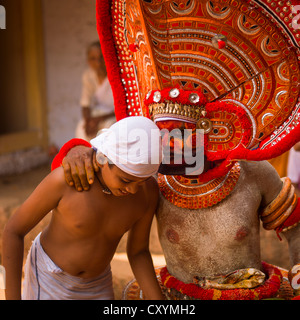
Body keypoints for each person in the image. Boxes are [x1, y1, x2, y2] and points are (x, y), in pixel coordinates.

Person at [2, 116, 164, 300]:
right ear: (102, 159)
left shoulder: (148, 193)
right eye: (126, 180)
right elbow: (13, 231)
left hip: (98, 283)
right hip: (50, 278)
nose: (133, 189)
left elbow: (138, 252)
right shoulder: (66, 181)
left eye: (141, 181)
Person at [75, 41, 115, 141]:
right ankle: (87, 155)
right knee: (82, 127)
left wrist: (99, 119)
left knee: (109, 129)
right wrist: (88, 121)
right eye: (93, 59)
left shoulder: (116, 74)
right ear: (88, 61)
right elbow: (85, 103)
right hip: (99, 113)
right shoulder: (88, 76)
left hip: (114, 115)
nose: (98, 62)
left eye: (101, 57)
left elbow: (123, 107)